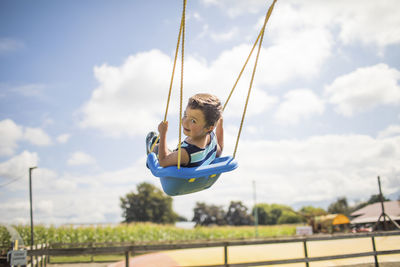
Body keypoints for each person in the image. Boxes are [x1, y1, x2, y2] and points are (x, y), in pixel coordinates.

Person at [146, 93, 224, 168]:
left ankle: (152, 149)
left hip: (175, 170)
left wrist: (163, 133)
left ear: (209, 128)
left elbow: (163, 162)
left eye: (193, 121)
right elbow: (219, 150)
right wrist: (220, 123)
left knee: (156, 146)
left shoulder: (187, 153)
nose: (185, 122)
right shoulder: (211, 138)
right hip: (186, 161)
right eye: (185, 115)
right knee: (171, 151)